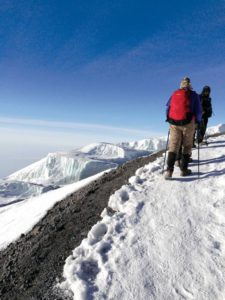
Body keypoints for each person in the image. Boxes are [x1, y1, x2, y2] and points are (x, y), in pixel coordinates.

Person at [164, 77, 202, 179]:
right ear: (190, 85)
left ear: (181, 84)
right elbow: (198, 111)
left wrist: (168, 119)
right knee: (187, 145)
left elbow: (168, 107)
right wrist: (198, 122)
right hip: (188, 123)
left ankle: (169, 170)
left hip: (174, 123)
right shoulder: (194, 95)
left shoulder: (174, 93)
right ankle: (184, 170)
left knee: (174, 145)